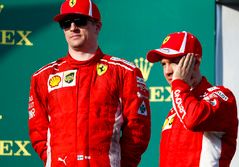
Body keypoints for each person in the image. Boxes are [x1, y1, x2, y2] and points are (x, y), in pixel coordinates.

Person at [28, 0, 151, 166]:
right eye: (66, 23)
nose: (72, 27)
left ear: (97, 27)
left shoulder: (124, 72)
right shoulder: (43, 76)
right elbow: (38, 132)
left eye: (80, 21)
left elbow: (138, 130)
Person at [146, 31, 238, 167]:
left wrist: (178, 84)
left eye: (173, 61)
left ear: (195, 62)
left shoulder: (222, 96)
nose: (167, 71)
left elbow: (193, 120)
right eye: (163, 64)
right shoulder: (176, 107)